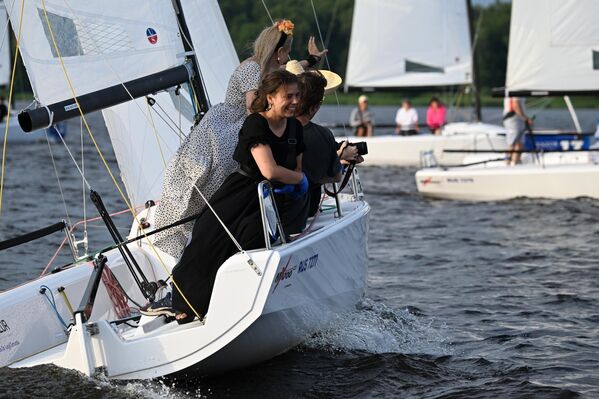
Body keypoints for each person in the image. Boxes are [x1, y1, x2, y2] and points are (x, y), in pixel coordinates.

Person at [153, 19, 327, 259]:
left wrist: (313, 61)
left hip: (241, 125)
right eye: (287, 53)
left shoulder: (272, 69)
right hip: (226, 127)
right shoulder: (252, 69)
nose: (288, 58)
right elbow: (253, 107)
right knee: (214, 174)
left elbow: (291, 72)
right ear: (279, 53)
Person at [144, 70, 309, 323]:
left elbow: (294, 168)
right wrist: (298, 180)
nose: (295, 101)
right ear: (271, 98)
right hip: (241, 192)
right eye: (288, 96)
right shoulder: (256, 123)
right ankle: (182, 301)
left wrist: (295, 180)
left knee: (247, 240)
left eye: (297, 95)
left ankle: (233, 300)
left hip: (272, 200)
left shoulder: (295, 127)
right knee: (206, 238)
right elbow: (269, 170)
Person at [294, 69, 362, 217]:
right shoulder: (323, 135)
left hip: (278, 210)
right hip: (306, 210)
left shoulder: (277, 128)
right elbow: (336, 176)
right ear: (314, 107)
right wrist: (340, 157)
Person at [503, 96, 532, 165]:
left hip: (517, 119)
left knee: (519, 143)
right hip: (513, 118)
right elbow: (515, 105)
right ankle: (508, 163)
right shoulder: (515, 89)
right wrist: (525, 118)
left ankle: (515, 162)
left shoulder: (517, 89)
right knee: (512, 142)